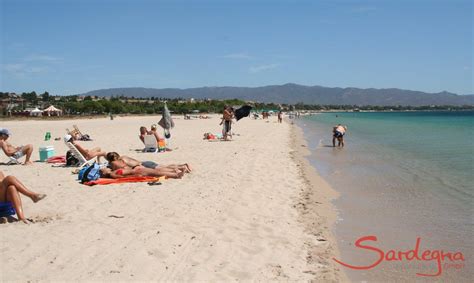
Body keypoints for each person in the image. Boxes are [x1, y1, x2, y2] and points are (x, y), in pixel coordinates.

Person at [105, 152, 191, 173]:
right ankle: (182, 165)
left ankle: (181, 168)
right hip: (145, 162)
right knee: (165, 166)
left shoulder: (116, 162)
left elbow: (114, 171)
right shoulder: (123, 156)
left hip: (143, 165)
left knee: (164, 169)